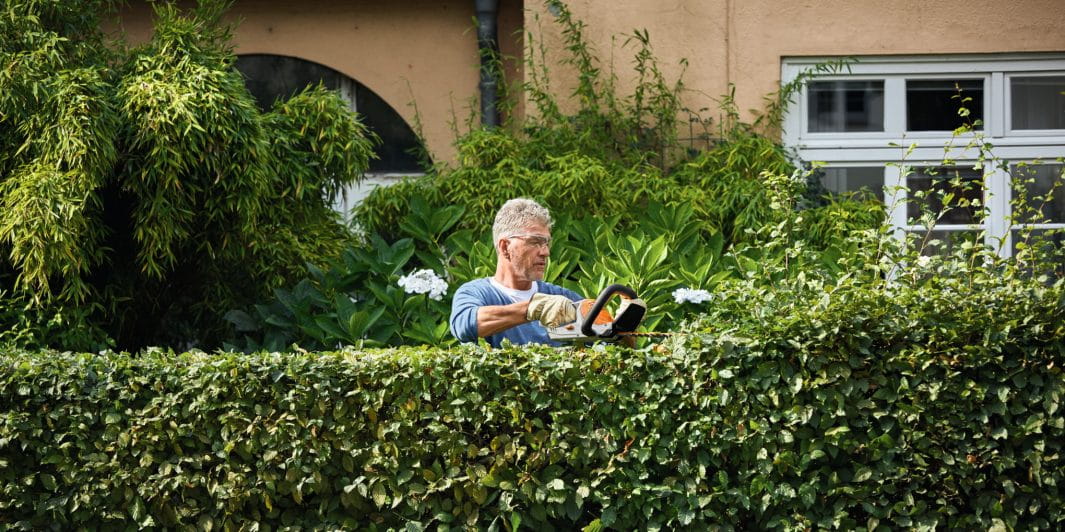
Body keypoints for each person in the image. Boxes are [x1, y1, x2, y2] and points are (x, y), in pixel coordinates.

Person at [449, 198, 582, 347]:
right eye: (535, 242)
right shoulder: (475, 293)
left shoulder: (561, 297)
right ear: (505, 247)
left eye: (546, 243)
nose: (546, 252)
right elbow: (464, 325)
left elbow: (597, 326)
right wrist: (535, 308)